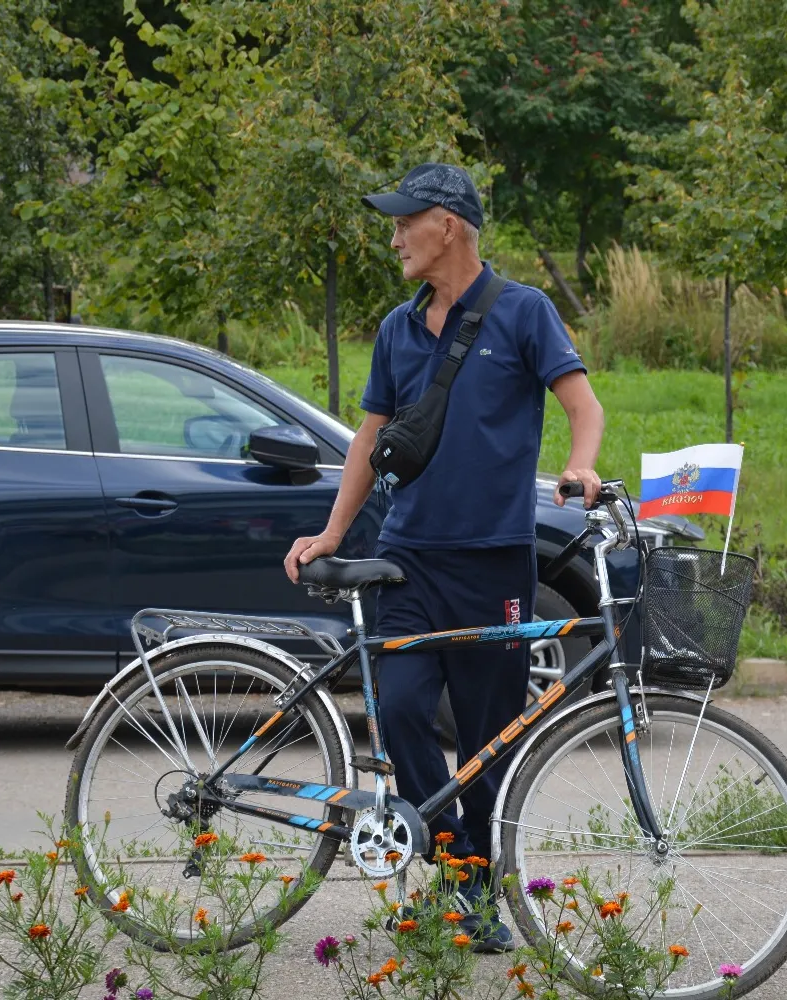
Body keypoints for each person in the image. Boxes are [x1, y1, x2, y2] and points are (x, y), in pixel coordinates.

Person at [283, 162, 605, 951]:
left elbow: (582, 405)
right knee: (398, 711)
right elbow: (368, 438)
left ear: (449, 225)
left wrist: (582, 464)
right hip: (408, 559)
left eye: (405, 223)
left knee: (490, 737)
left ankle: (470, 895)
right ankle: (457, 857)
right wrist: (332, 533)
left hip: (494, 562)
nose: (393, 238)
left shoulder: (524, 312)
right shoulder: (398, 328)